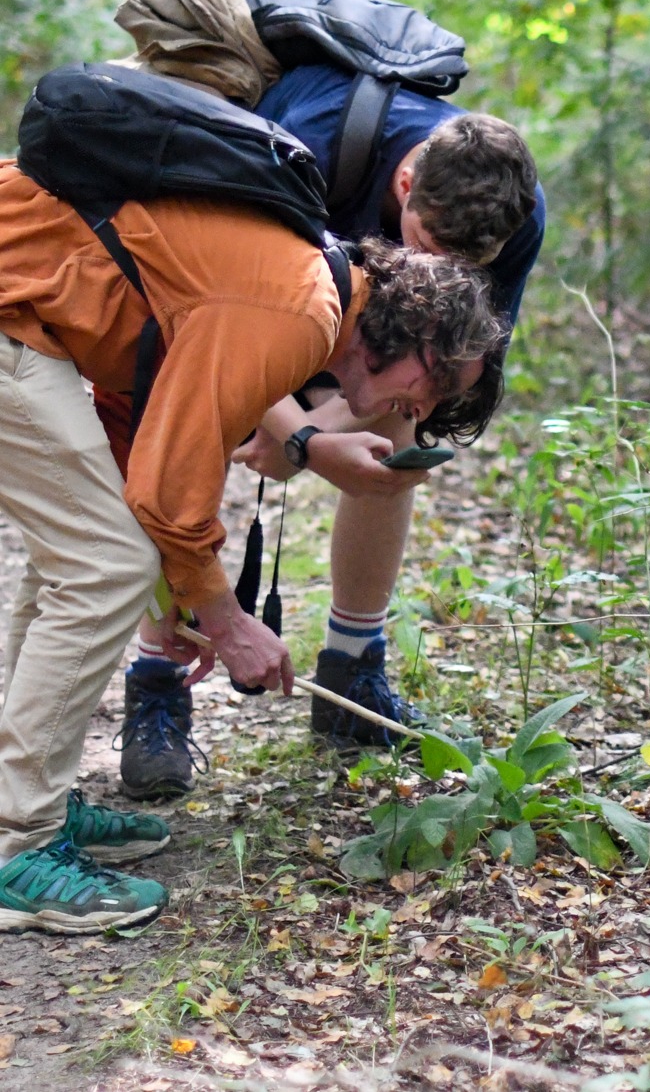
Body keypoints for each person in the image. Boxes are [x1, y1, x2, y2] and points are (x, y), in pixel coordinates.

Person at [0, 150, 507, 932]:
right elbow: (170, 490)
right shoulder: (301, 309)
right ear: (416, 328)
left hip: (28, 314)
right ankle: (17, 845)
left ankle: (29, 799)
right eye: (436, 381)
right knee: (103, 563)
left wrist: (185, 595)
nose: (423, 405)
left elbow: (144, 433)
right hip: (11, 306)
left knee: (83, 551)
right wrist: (228, 621)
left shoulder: (312, 296)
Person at [114, 62, 545, 798]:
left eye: (462, 265)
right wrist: (295, 437)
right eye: (426, 241)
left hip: (354, 328)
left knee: (407, 412)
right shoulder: (305, 145)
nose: (437, 271)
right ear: (404, 187)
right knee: (196, 424)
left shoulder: (513, 220)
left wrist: (311, 438)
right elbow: (214, 320)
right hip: (231, 306)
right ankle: (160, 675)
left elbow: (457, 362)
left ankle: (352, 664)